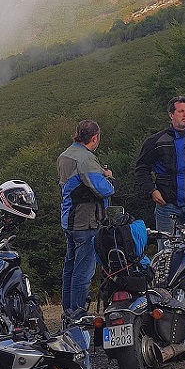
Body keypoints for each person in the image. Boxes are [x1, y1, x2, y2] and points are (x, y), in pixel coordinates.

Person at [133, 95, 185, 237]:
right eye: (181, 111)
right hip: (166, 206)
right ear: (171, 115)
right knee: (167, 251)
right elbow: (141, 169)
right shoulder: (156, 141)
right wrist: (152, 191)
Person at [57, 120, 115, 324]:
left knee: (70, 268)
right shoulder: (87, 160)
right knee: (83, 271)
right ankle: (78, 314)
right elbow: (103, 189)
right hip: (86, 222)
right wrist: (108, 178)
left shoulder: (65, 155)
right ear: (95, 137)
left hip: (69, 220)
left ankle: (68, 311)